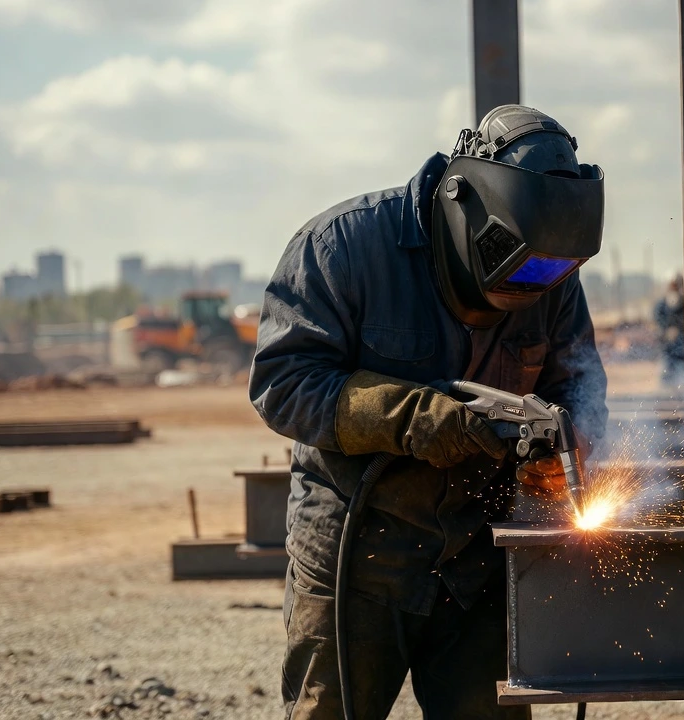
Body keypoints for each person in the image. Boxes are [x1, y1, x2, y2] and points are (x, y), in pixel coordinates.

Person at [249, 105, 608, 720]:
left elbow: (580, 385)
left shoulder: (551, 274)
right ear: (464, 205)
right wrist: (413, 416)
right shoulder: (344, 248)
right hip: (357, 559)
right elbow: (283, 382)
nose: (525, 293)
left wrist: (571, 444)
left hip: (477, 562)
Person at [653, 275, 684, 387]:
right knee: (667, 373)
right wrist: (667, 330)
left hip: (683, 348)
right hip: (668, 347)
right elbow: (658, 319)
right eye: (673, 285)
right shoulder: (662, 305)